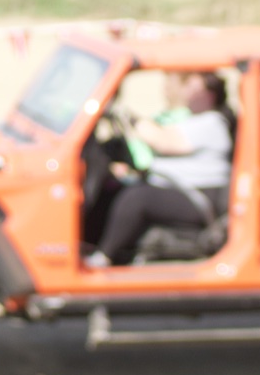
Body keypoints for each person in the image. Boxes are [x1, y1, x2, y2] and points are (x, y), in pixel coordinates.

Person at [87, 71, 234, 268]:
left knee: (137, 198)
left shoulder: (212, 123)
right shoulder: (194, 120)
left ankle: (104, 256)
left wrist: (131, 118)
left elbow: (164, 141)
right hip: (179, 189)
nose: (186, 93)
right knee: (114, 190)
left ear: (209, 95)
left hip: (198, 196)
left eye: (193, 88)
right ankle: (93, 246)